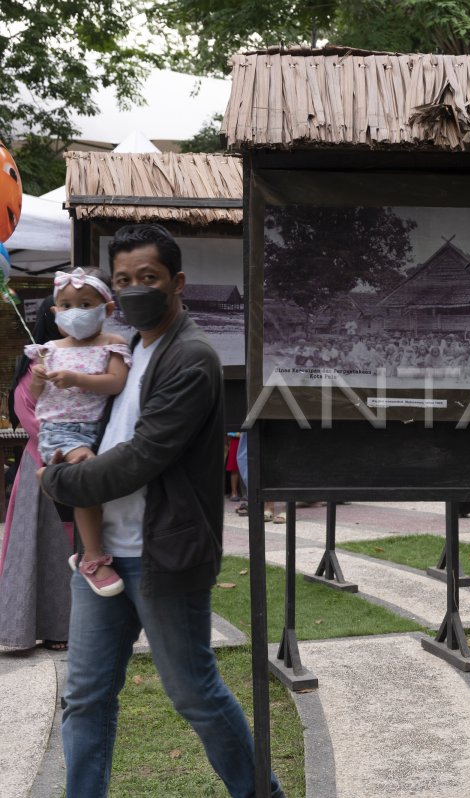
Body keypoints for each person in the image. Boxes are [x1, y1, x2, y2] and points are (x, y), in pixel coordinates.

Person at [37, 224, 285, 798]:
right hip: (101, 559)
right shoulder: (125, 348)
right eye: (122, 280)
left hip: (163, 555)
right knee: (86, 696)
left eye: (147, 278)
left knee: (194, 692)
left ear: (177, 283)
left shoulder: (191, 357)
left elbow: (142, 456)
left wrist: (61, 481)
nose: (133, 290)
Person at [26, 268, 132, 597]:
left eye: (86, 305)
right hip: (60, 432)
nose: (76, 312)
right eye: (68, 305)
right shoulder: (48, 348)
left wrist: (76, 378)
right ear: (56, 311)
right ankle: (93, 558)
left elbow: (116, 382)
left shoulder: (113, 344)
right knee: (85, 476)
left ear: (108, 309)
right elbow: (35, 395)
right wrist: (40, 378)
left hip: (98, 428)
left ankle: (53, 480)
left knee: (95, 486)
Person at [0, 296, 74, 651]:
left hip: (79, 464)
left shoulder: (83, 359)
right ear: (50, 315)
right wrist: (64, 445)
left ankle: (71, 626)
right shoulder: (33, 365)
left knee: (76, 547)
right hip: (43, 466)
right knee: (46, 549)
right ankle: (41, 627)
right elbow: (27, 415)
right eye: (64, 307)